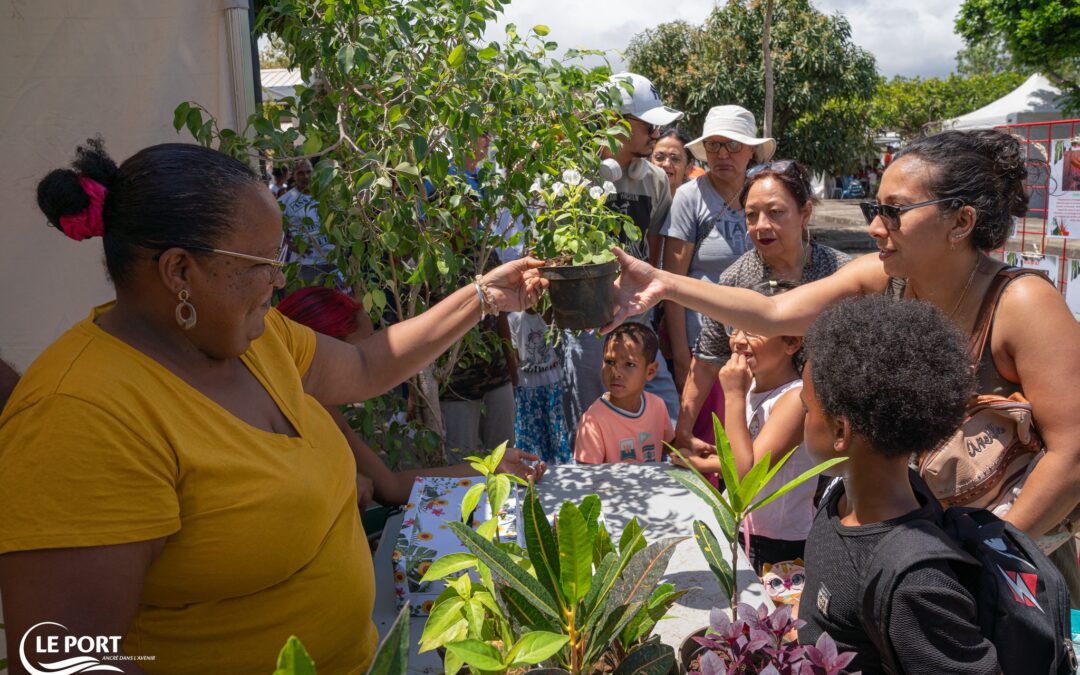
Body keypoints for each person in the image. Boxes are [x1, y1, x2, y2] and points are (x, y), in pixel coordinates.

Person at [0, 139, 545, 673]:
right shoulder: (80, 415)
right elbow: (67, 659)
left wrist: (485, 296)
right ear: (179, 272)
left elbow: (365, 368)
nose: (279, 278)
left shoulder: (255, 337)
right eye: (262, 262)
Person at [606, 128, 1080, 602]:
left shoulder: (1023, 304)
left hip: (1012, 563)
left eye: (893, 212)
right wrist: (663, 282)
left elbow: (1072, 454)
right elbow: (772, 312)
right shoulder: (888, 280)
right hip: (928, 551)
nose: (875, 228)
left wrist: (982, 557)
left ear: (961, 222)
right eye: (874, 211)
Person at [798, 295, 998, 673]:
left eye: (806, 408)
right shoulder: (839, 498)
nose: (801, 418)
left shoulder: (917, 584)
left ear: (841, 429)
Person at [276, 286, 547, 508]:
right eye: (362, 354)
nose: (374, 366)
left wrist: (492, 467)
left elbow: (390, 487)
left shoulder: (327, 413)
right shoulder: (274, 419)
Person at [675, 161, 849, 457]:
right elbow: (706, 360)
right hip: (764, 438)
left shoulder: (841, 276)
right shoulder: (735, 281)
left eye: (775, 212)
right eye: (751, 215)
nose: (761, 225)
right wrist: (683, 429)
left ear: (805, 213)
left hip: (838, 439)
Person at [560, 72, 683, 442]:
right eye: (648, 124)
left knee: (665, 419)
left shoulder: (655, 180)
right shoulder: (572, 174)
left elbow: (653, 248)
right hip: (589, 328)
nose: (655, 133)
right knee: (593, 428)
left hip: (639, 322)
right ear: (615, 122)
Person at [674, 281, 814, 576]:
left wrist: (734, 397)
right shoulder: (753, 387)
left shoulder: (794, 399)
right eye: (734, 328)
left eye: (752, 330)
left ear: (792, 342)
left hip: (779, 543)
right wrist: (710, 458)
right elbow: (746, 453)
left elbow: (745, 476)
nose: (737, 340)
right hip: (743, 527)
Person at [660, 105, 775, 394]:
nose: (722, 154)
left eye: (733, 145)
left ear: (751, 150)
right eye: (714, 145)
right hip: (701, 350)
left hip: (760, 348)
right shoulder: (690, 197)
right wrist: (683, 360)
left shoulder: (764, 194)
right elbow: (672, 287)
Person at [574, 323, 674, 464]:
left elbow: (671, 447)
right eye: (610, 361)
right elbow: (588, 478)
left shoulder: (657, 406)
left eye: (629, 364)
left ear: (650, 371)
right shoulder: (592, 420)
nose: (616, 372)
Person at [507, 307, 573, 465]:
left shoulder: (551, 312)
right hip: (528, 383)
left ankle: (560, 466)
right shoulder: (514, 318)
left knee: (555, 427)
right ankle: (531, 465)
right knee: (530, 428)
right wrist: (515, 381)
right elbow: (513, 353)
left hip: (551, 380)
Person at [278, 158, 338, 286]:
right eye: (300, 173)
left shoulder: (326, 192)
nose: (305, 176)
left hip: (335, 260)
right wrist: (293, 246)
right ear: (293, 175)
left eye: (308, 172)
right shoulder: (285, 201)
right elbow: (273, 229)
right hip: (309, 264)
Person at [650, 127, 694, 198]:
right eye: (659, 157)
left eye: (675, 159)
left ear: (689, 166)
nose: (666, 164)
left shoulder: (699, 201)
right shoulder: (636, 193)